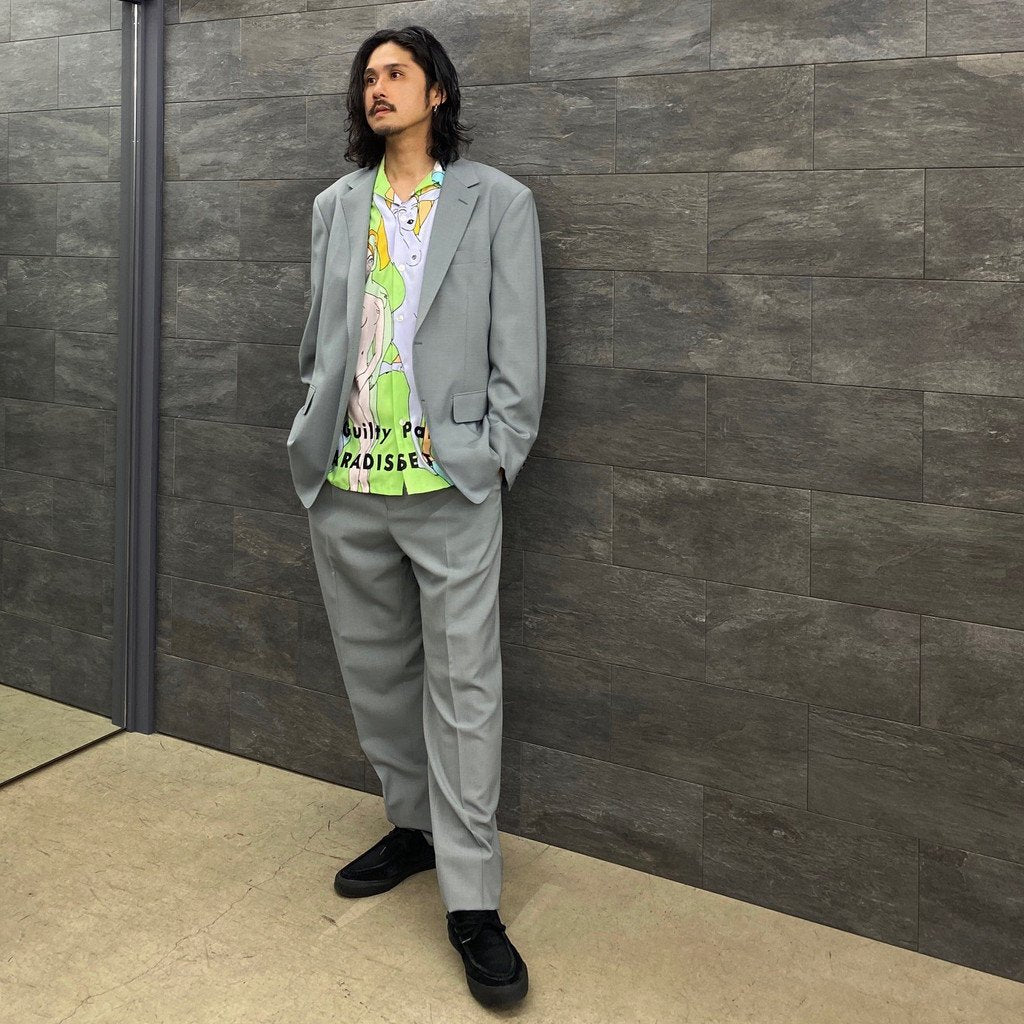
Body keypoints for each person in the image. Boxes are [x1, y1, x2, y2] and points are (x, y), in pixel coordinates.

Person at [284, 24, 546, 1009]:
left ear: (437, 91)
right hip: (346, 482)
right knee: (378, 677)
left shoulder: (496, 201)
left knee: (464, 688)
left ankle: (473, 901)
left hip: (449, 487)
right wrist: (310, 426)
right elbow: (320, 338)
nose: (376, 87)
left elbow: (521, 345)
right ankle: (415, 826)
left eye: (396, 72)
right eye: (367, 76)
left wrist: (496, 454)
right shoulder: (336, 205)